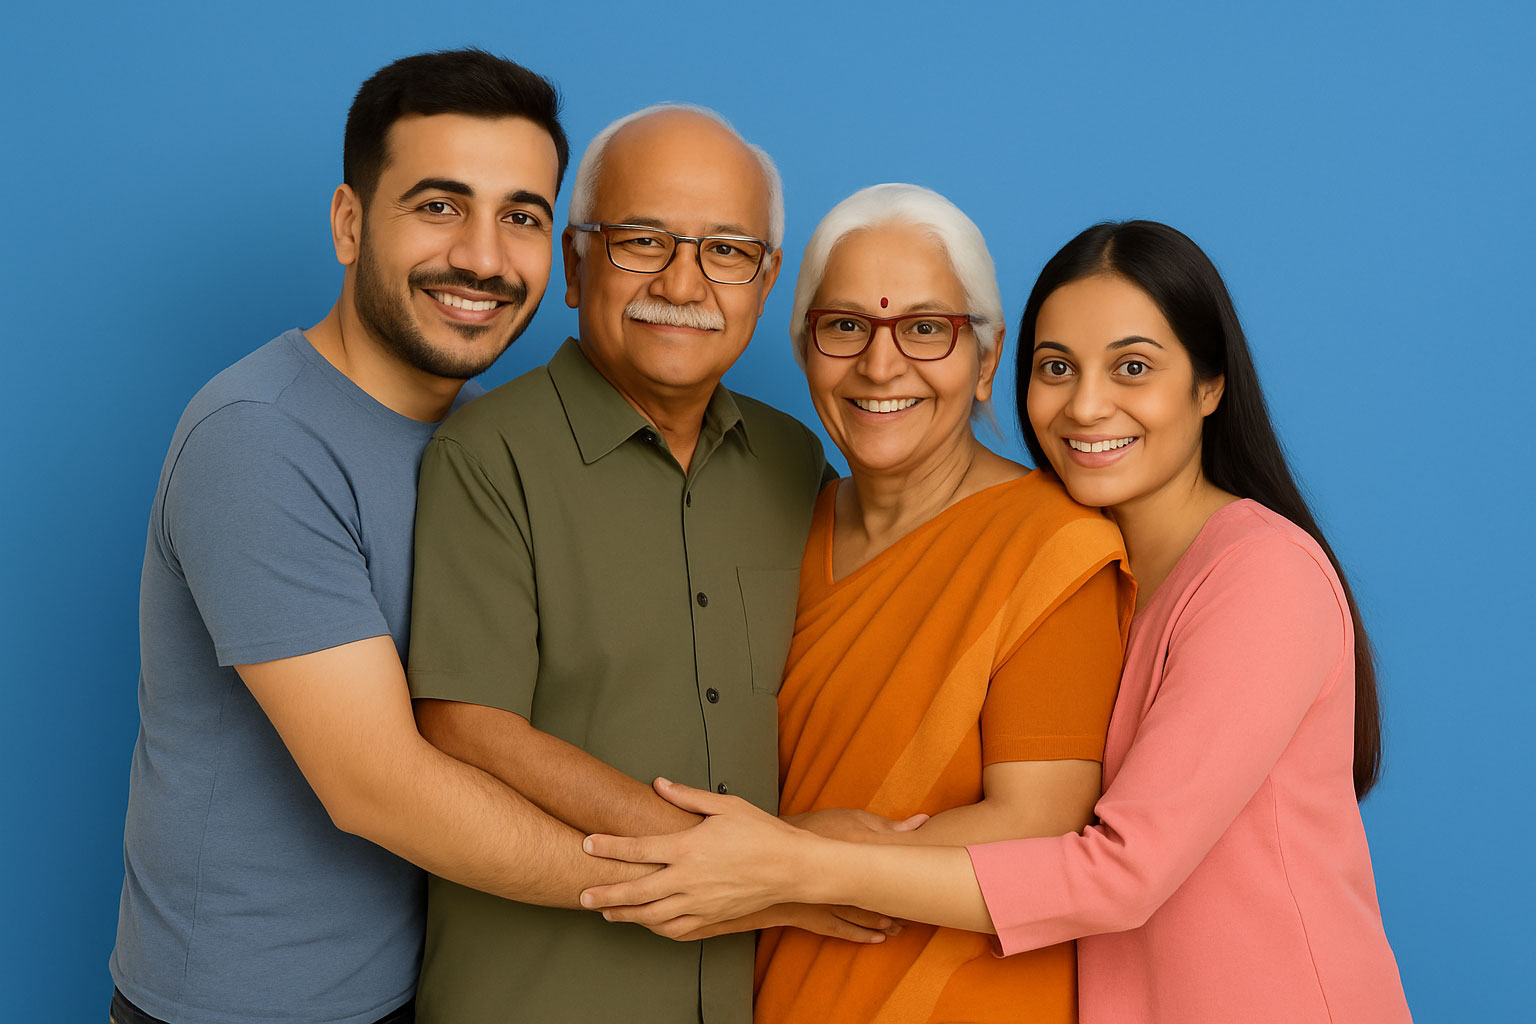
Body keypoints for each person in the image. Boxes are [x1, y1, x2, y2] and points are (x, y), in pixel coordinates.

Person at [582, 220, 1413, 1023]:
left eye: (1132, 368)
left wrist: (796, 865)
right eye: (1057, 368)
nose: (1086, 407)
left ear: (1209, 384)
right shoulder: (1090, 556)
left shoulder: (1259, 574)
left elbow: (1119, 873)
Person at [109, 50, 648, 1024]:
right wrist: (676, 886)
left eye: (520, 215)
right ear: (350, 224)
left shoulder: (487, 444)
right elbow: (378, 787)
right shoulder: (258, 435)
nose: (484, 257)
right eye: (439, 205)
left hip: (414, 994)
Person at [590, 183, 1132, 1023]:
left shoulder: (1053, 547)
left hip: (963, 992)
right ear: (805, 354)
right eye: (845, 327)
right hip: (766, 981)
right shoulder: (773, 531)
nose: (881, 367)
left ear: (987, 363)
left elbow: (1039, 828)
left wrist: (773, 862)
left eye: (925, 328)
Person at [403, 105, 873, 1024]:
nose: (685, 281)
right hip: (535, 997)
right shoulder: (486, 454)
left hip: (745, 997)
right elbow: (466, 726)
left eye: (728, 250)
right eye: (642, 241)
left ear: (765, 281)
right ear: (577, 267)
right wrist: (777, 875)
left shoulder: (797, 465)